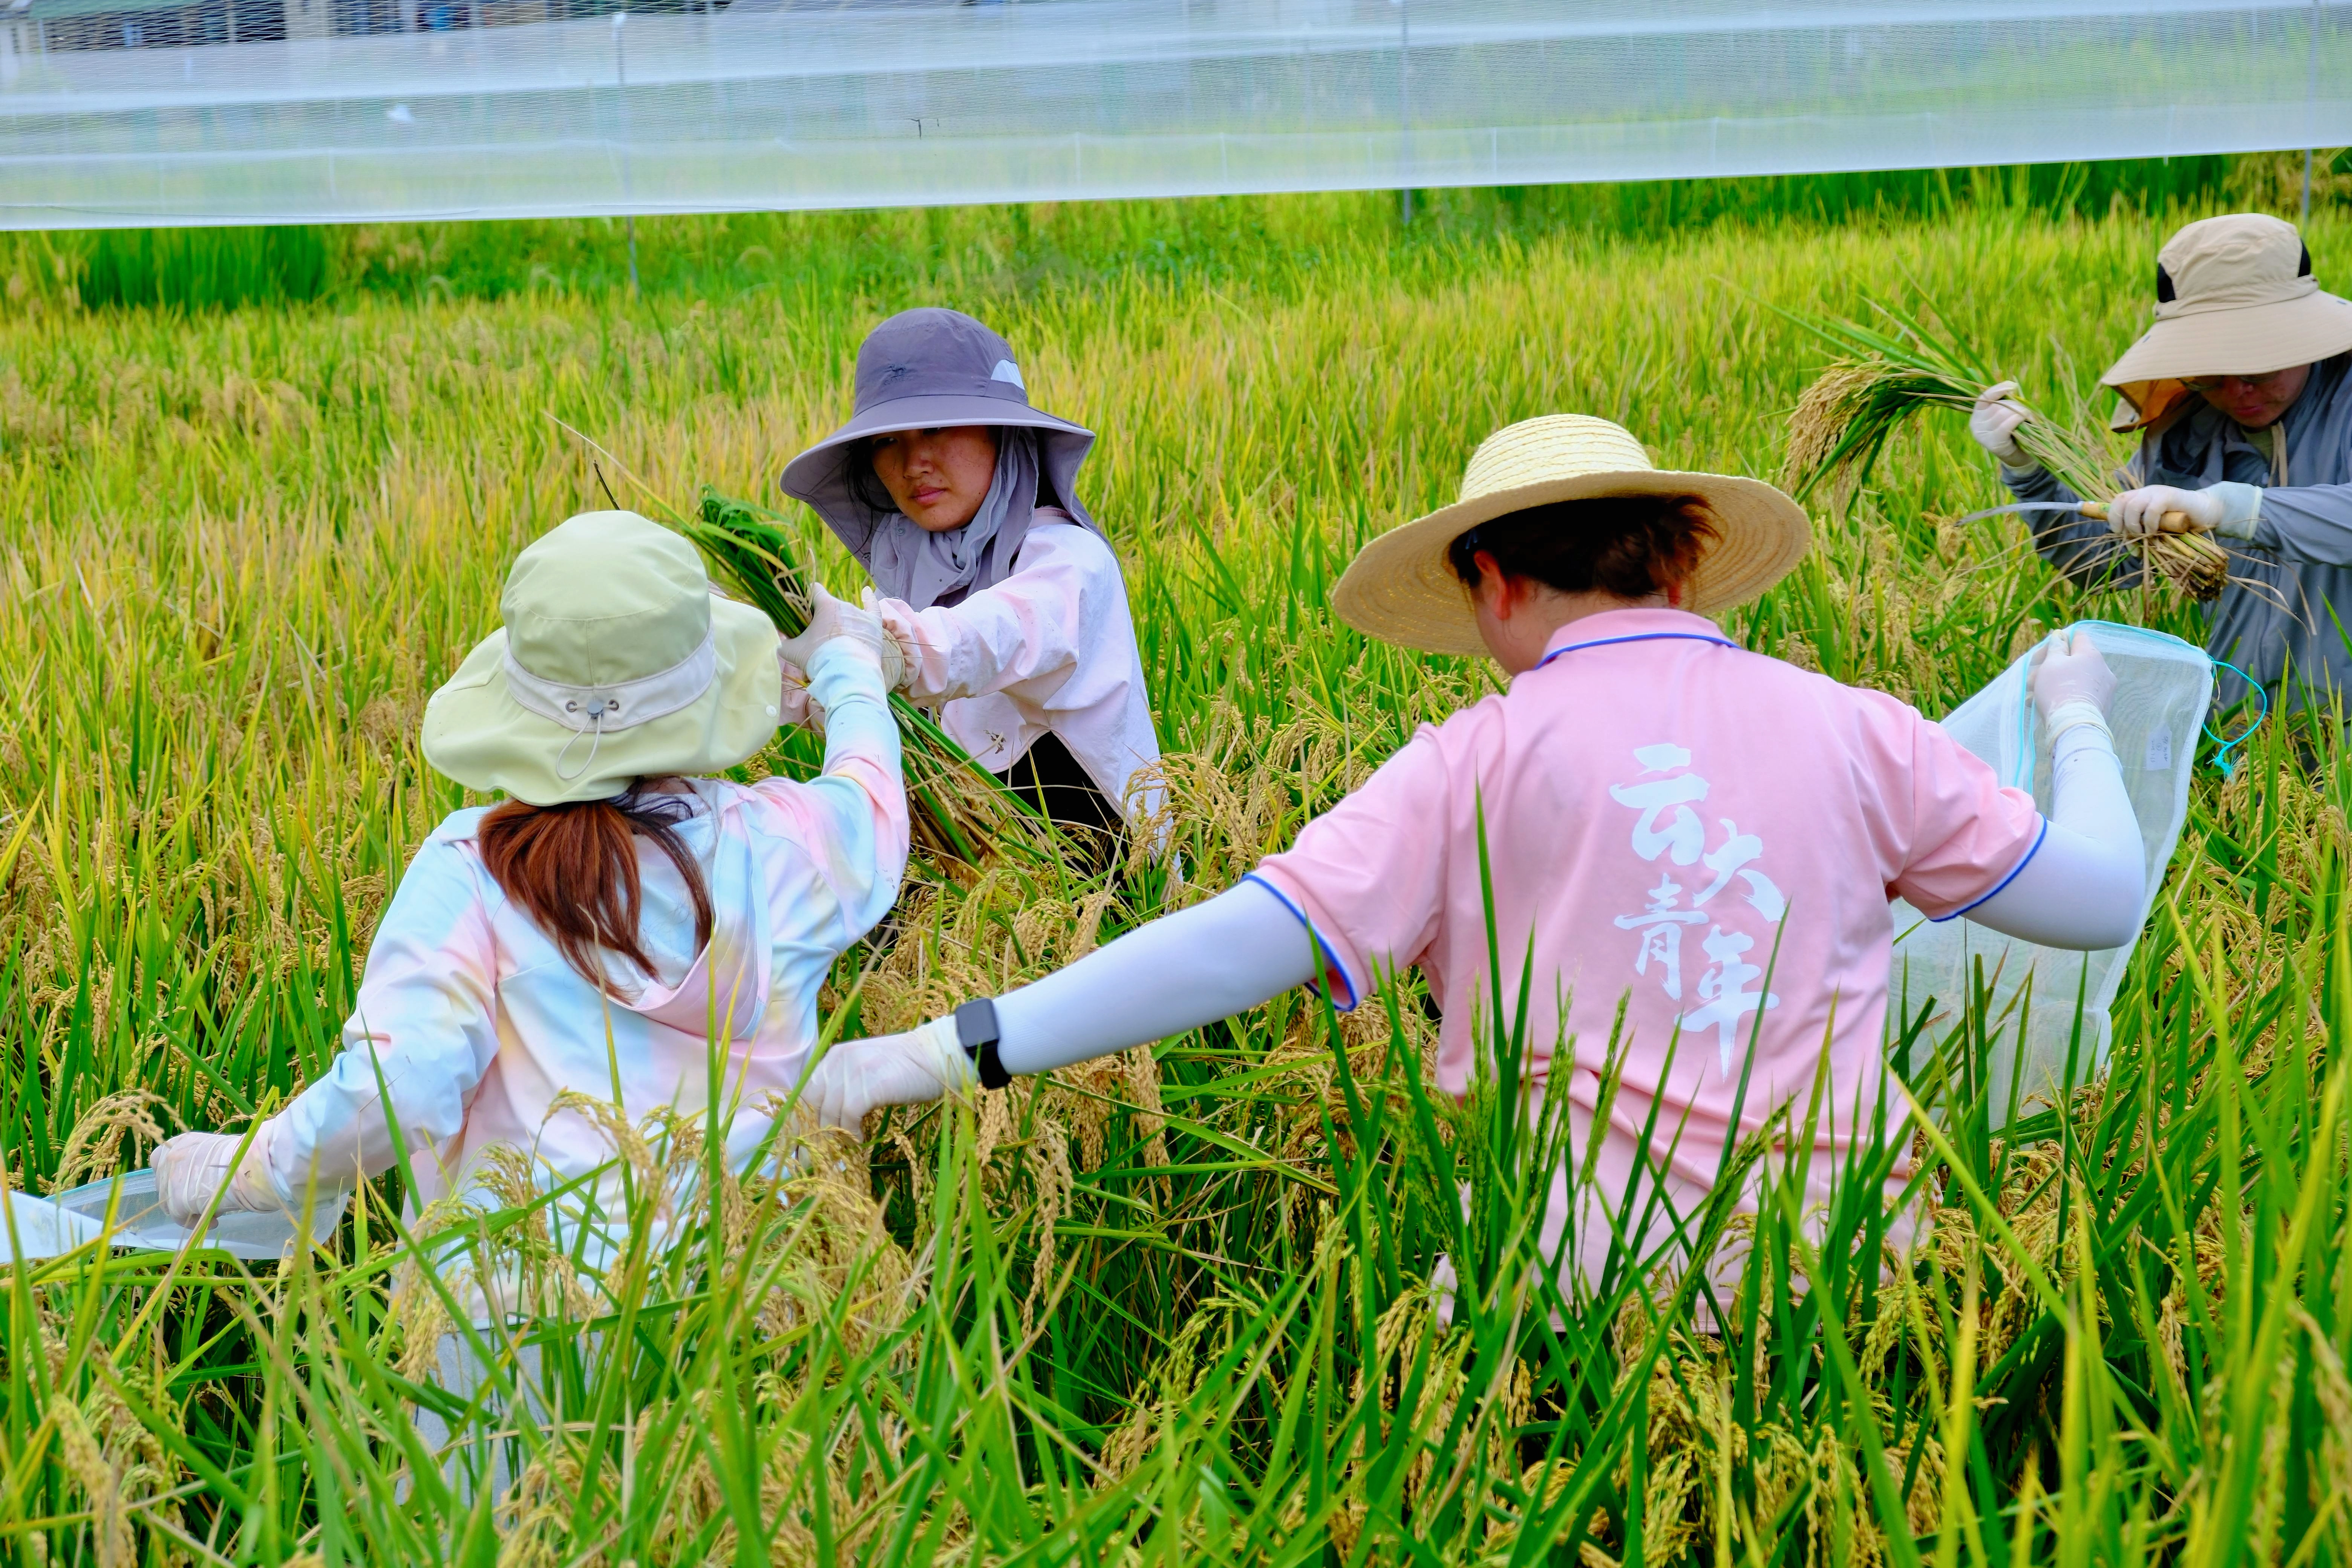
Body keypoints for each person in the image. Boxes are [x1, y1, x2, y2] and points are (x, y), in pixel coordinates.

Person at [801, 415, 2148, 1291]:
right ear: (1684, 568)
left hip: (1570, 1297)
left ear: (1490, 584)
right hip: (1862, 1279)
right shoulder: (1863, 732)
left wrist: (931, 1053)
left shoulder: (1471, 765)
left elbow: (1227, 947)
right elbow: (2102, 901)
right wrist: (2078, 720)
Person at [148, 510, 908, 1258]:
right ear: (702, 697)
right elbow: (871, 797)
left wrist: (246, 1167)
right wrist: (847, 670)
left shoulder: (470, 873)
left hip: (506, 1336)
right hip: (743, 1325)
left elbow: (405, 1083)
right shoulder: (786, 843)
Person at [780, 307, 1162, 861]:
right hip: (985, 884)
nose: (914, 462)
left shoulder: (1069, 563)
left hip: (1109, 882)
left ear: (1001, 433)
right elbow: (862, 709)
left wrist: (889, 649)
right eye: (888, 441)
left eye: (936, 428)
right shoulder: (913, 577)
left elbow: (995, 635)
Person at [1973, 211, 2352, 711]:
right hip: (2240, 735)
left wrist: (2224, 508)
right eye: (2211, 374)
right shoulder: (2186, 432)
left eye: (2261, 367)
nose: (2238, 392)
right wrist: (2030, 472)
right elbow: (2103, 566)